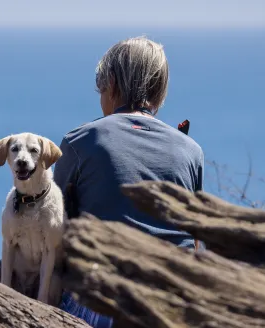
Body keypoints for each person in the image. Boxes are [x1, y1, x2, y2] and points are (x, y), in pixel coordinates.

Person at [52, 35, 205, 327]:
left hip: (107, 300)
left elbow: (50, 231)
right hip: (174, 301)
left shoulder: (79, 142)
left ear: (111, 83)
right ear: (160, 90)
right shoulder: (191, 151)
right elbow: (195, 241)